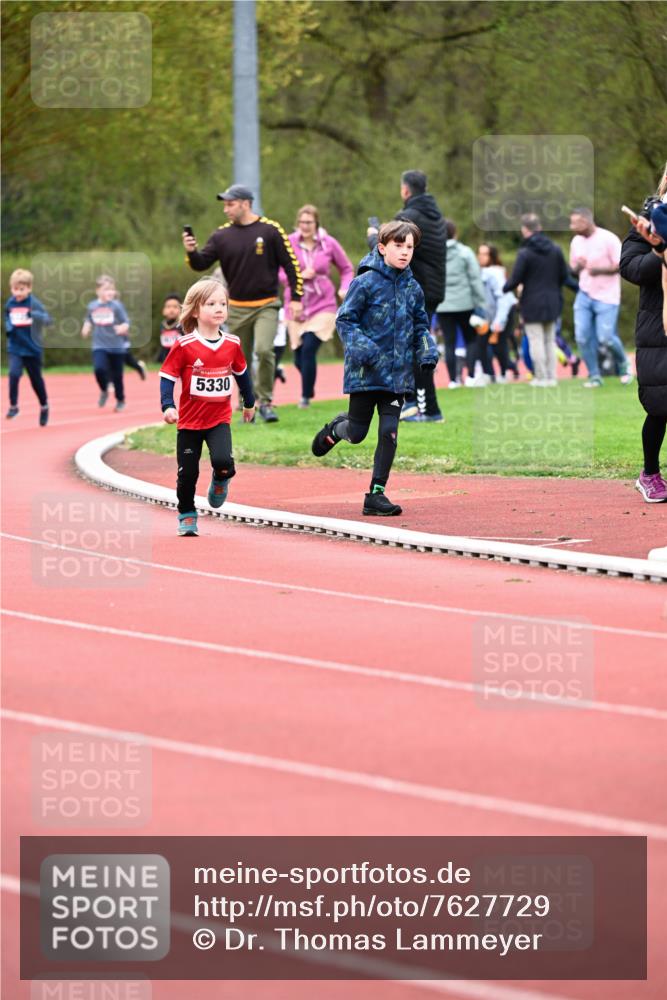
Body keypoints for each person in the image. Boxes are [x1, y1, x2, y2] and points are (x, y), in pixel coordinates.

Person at [311, 220, 438, 516]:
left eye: (410, 247)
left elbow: (420, 324)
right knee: (357, 433)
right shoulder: (365, 282)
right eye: (398, 245)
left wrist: (427, 347)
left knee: (389, 432)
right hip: (365, 373)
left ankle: (376, 494)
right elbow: (345, 320)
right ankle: (334, 429)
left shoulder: (413, 288)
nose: (405, 252)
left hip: (398, 376)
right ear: (382, 248)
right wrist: (364, 349)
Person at [182, 184, 303, 423]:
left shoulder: (270, 230)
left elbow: (291, 265)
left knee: (264, 350)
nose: (226, 209)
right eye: (225, 204)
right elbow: (200, 264)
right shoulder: (221, 235)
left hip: (267, 304)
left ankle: (266, 402)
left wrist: (296, 298)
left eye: (230, 204)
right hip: (235, 308)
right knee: (240, 359)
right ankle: (246, 406)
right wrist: (192, 251)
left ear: (246, 204)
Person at [159, 278, 255, 536]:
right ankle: (187, 513)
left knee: (223, 461)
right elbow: (167, 376)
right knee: (187, 474)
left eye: (222, 303)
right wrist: (167, 406)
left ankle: (221, 479)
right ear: (195, 310)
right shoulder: (184, 345)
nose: (218, 308)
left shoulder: (232, 343)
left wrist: (249, 402)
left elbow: (242, 373)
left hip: (218, 419)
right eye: (211, 303)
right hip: (190, 422)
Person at [367, 170, 445, 421]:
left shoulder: (408, 217)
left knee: (414, 350)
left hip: (413, 291)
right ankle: (426, 408)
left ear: (405, 190)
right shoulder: (436, 216)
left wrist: (372, 236)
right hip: (433, 289)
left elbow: (386, 253)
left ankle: (421, 408)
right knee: (418, 346)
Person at [620, 163, 667, 503]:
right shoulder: (649, 219)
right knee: (661, 403)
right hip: (658, 323)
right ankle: (649, 473)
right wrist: (660, 252)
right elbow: (631, 267)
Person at [281, 204, 354, 408]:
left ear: (316, 223)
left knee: (309, 349)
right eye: (302, 222)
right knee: (298, 356)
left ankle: (304, 398)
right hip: (296, 304)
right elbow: (277, 271)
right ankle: (308, 384)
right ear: (298, 223)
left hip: (324, 303)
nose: (305, 226)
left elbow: (346, 268)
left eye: (309, 222)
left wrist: (345, 287)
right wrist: (297, 277)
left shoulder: (328, 243)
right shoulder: (288, 242)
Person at [569, 207, 632, 388]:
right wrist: (578, 268)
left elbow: (622, 265)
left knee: (606, 338)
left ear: (587, 221)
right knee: (581, 337)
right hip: (584, 294)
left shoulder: (608, 239)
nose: (572, 226)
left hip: (607, 295)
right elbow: (572, 271)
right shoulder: (576, 241)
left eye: (576, 223)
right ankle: (594, 376)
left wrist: (599, 270)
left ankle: (624, 366)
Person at [504, 213, 568, 387]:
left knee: (536, 340)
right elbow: (564, 275)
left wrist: (505, 288)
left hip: (531, 303)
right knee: (549, 340)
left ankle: (541, 377)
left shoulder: (525, 253)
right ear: (539, 228)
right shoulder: (556, 249)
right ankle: (552, 377)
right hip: (553, 302)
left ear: (525, 230)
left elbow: (516, 278)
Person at [436, 222, 489, 387]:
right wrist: (481, 303)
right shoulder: (465, 252)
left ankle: (452, 380)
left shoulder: (435, 254)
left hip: (443, 305)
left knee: (449, 343)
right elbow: (475, 279)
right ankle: (471, 376)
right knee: (471, 340)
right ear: (455, 233)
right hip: (465, 304)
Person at [4, 267, 51, 425]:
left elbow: (48, 320)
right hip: (15, 347)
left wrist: (34, 315)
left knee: (35, 380)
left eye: (21, 289)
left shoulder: (34, 303)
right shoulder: (10, 303)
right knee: (13, 374)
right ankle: (13, 406)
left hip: (32, 348)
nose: (17, 293)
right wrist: (9, 327)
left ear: (29, 288)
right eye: (14, 289)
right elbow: (7, 317)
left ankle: (44, 405)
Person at [81, 275, 130, 411]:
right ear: (98, 291)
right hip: (99, 345)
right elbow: (89, 320)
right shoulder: (92, 306)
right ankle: (104, 390)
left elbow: (126, 321)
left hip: (117, 346)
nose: (110, 293)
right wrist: (86, 328)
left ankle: (120, 400)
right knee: (99, 369)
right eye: (106, 289)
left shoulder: (117, 306)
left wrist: (123, 327)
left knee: (117, 376)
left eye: (112, 290)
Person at [477, 243, 519, 381]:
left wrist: (498, 322)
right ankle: (491, 375)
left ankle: (504, 372)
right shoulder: (479, 272)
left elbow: (503, 299)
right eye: (479, 253)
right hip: (489, 315)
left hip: (505, 311)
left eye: (485, 254)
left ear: (491, 256)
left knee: (498, 344)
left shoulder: (495, 273)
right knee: (482, 344)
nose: (481, 257)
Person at [156, 293, 183, 364]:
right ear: (163, 310)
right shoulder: (163, 324)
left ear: (181, 309)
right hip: (166, 357)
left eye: (175, 307)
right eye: (168, 307)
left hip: (180, 357)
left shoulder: (183, 324)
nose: (171, 310)